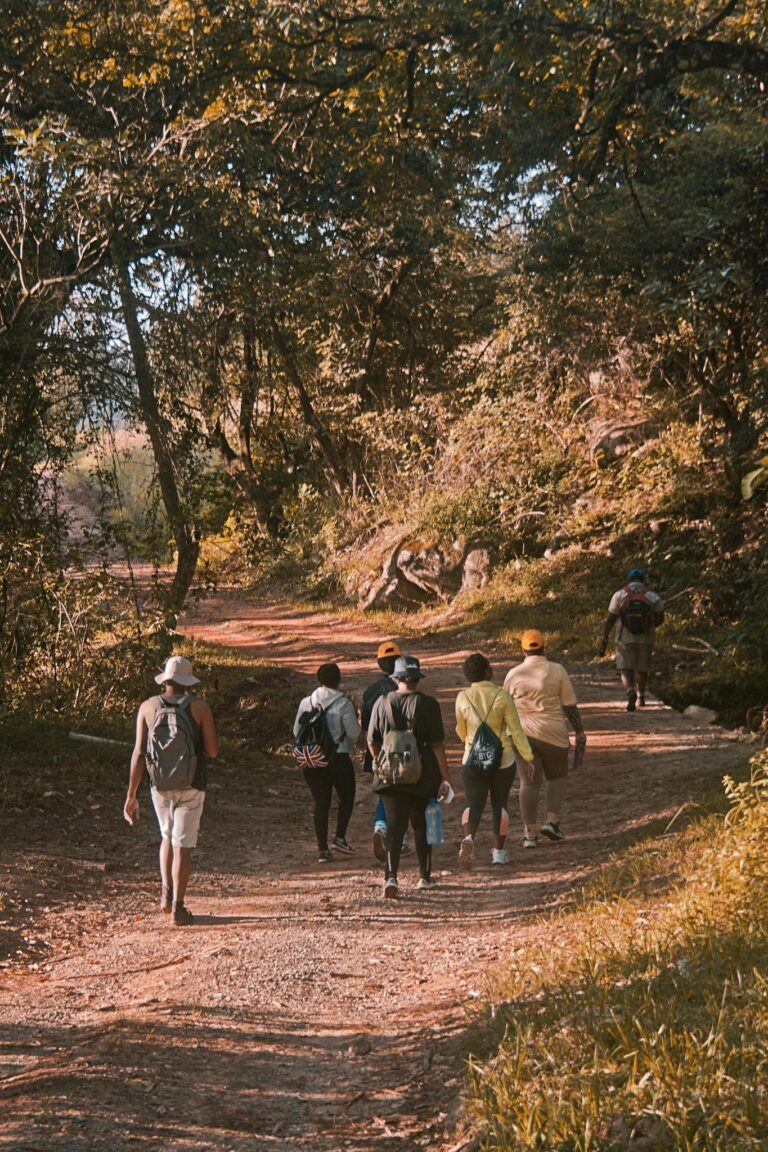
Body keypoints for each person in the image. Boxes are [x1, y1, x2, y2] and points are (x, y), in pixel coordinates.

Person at [124, 654, 219, 926]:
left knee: (166, 836)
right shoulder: (199, 707)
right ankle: (179, 906)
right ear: (187, 682)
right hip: (192, 785)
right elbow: (212, 752)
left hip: (159, 786)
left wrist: (131, 795)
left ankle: (165, 894)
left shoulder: (147, 707)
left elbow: (139, 752)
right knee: (183, 846)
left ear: (165, 679)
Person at [367, 655, 451, 898]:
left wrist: (379, 762)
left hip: (390, 774)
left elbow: (372, 740)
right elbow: (437, 745)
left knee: (395, 826)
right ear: (417, 679)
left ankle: (391, 877)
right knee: (420, 824)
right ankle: (424, 876)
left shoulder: (382, 703)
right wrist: (444, 778)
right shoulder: (429, 705)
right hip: (422, 773)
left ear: (396, 678)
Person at [504, 631, 586, 848]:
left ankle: (529, 834)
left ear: (523, 650)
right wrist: (579, 731)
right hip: (553, 734)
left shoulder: (513, 674)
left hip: (522, 736)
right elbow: (569, 705)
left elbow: (504, 707)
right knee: (557, 777)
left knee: (528, 782)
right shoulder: (557, 670)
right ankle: (551, 821)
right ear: (543, 648)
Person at [455, 653, 535, 868]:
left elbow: (461, 731)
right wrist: (528, 757)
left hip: (472, 757)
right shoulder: (502, 696)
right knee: (500, 804)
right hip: (503, 758)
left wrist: (470, 741)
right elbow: (516, 731)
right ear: (488, 671)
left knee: (473, 803)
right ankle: (498, 853)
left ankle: (469, 838)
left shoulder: (462, 697)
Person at [294, 662, 362, 862]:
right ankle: (339, 837)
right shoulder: (343, 704)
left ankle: (322, 849)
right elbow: (354, 734)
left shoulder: (306, 702)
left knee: (321, 802)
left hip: (311, 758)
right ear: (338, 680)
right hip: (337, 758)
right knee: (347, 796)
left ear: (318, 680)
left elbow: (296, 732)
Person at [359, 640, 411, 862]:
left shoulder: (371, 691)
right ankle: (401, 838)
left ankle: (380, 827)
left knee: (384, 793)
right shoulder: (402, 688)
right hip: (401, 749)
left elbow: (364, 727)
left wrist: (373, 754)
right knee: (403, 795)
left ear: (379, 664)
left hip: (377, 750)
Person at [599, 566, 664, 711]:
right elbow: (660, 617)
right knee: (642, 667)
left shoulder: (620, 594)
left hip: (624, 635)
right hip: (646, 636)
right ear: (643, 579)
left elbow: (611, 618)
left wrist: (605, 638)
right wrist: (650, 625)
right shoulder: (652, 595)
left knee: (625, 666)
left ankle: (629, 690)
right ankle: (641, 697)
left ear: (629, 580)